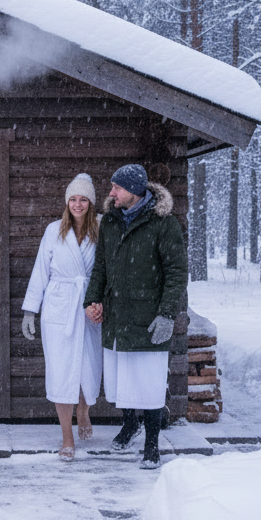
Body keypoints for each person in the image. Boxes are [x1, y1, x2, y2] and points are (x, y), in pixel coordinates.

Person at [83, 163, 186, 469]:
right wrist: (93, 299)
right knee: (121, 380)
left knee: (149, 384)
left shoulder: (163, 223)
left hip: (148, 318)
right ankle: (130, 425)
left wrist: (167, 314)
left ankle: (152, 445)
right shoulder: (111, 221)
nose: (111, 192)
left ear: (134, 191)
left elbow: (177, 273)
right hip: (116, 317)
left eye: (117, 188)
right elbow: (100, 266)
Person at [22, 173, 103, 462]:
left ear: (91, 202)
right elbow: (40, 271)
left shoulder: (102, 228)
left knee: (87, 366)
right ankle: (66, 436)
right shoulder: (54, 230)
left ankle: (84, 410)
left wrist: (101, 302)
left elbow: (107, 271)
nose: (78, 204)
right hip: (59, 307)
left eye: (83, 199)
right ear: (66, 202)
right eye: (73, 199)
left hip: (89, 307)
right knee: (60, 370)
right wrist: (31, 310)